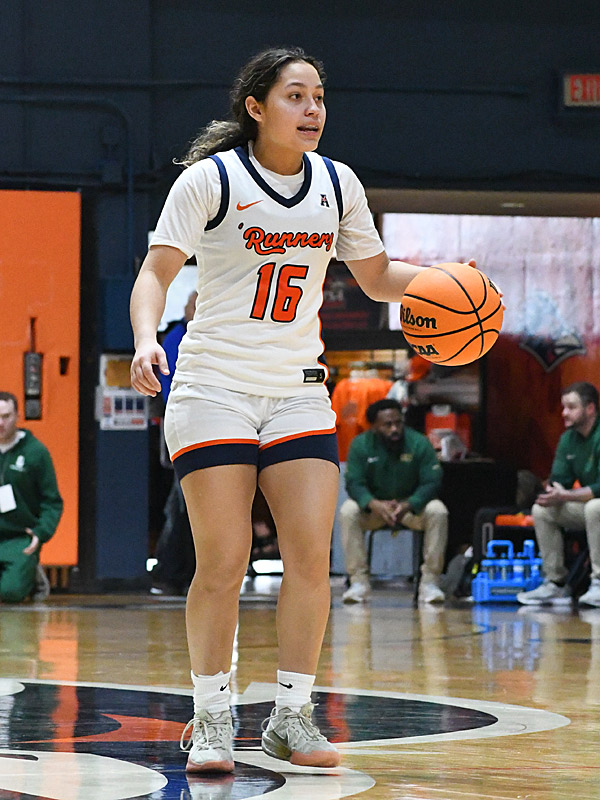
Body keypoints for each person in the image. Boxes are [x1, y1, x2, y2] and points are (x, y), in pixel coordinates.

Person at [129, 46, 474, 773]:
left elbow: (376, 278)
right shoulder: (210, 180)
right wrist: (145, 339)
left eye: (319, 97)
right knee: (224, 561)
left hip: (297, 390)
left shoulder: (338, 184)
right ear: (255, 107)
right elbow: (156, 271)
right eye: (295, 96)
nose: (313, 109)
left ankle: (291, 716)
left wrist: (445, 279)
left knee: (312, 558)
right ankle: (212, 717)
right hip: (214, 386)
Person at [339, 398, 448, 604]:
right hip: (375, 509)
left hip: (410, 509)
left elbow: (432, 481)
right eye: (387, 425)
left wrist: (410, 503)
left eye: (398, 423)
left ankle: (430, 582)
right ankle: (359, 582)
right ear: (374, 427)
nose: (394, 429)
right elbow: (354, 483)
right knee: (348, 511)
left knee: (438, 510)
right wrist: (373, 503)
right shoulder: (360, 445)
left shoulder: (419, 442)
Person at [517, 381, 600, 608]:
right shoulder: (568, 439)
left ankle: (598, 582)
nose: (564, 413)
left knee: (595, 507)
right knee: (542, 510)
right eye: (564, 407)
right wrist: (551, 493)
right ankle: (555, 583)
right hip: (588, 506)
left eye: (571, 407)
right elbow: (559, 481)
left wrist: (566, 495)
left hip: (595, 506)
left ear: (590, 408)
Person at [150, 291, 198, 595]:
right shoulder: (176, 338)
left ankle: (174, 572)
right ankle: (170, 572)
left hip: (198, 427)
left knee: (181, 504)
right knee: (182, 505)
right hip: (184, 427)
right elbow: (171, 393)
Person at [0, 392, 63, 603]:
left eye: (6, 416)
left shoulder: (36, 452)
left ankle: (30, 574)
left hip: (20, 536)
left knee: (10, 593)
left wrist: (41, 532)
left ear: (17, 416)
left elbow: (52, 501)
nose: (0, 423)